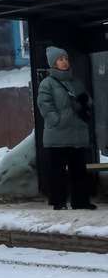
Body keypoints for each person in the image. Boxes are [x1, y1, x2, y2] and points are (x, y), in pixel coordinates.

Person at [36, 47, 97, 211]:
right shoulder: (47, 84)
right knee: (57, 171)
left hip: (77, 135)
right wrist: (58, 120)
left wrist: (85, 104)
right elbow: (45, 107)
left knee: (79, 170)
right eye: (60, 59)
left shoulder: (76, 82)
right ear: (53, 63)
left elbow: (87, 102)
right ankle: (58, 202)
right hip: (57, 136)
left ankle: (81, 201)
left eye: (66, 58)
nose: (64, 62)